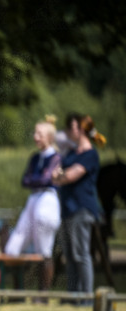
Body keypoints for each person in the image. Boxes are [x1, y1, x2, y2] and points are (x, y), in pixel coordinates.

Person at [4, 116, 62, 296]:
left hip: (47, 200)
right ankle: (18, 292)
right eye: (35, 133)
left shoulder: (56, 157)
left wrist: (38, 179)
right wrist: (41, 179)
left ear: (50, 137)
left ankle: (43, 293)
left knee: (44, 250)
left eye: (40, 134)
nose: (36, 137)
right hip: (33, 200)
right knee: (13, 248)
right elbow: (27, 180)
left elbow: (45, 180)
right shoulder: (35, 158)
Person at [53, 113, 106, 300]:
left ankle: (86, 297)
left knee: (81, 254)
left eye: (71, 127)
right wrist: (60, 175)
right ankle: (73, 295)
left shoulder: (90, 155)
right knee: (69, 255)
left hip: (82, 209)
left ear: (81, 130)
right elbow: (59, 174)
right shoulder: (72, 154)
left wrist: (59, 175)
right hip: (67, 208)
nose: (67, 132)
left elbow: (69, 176)